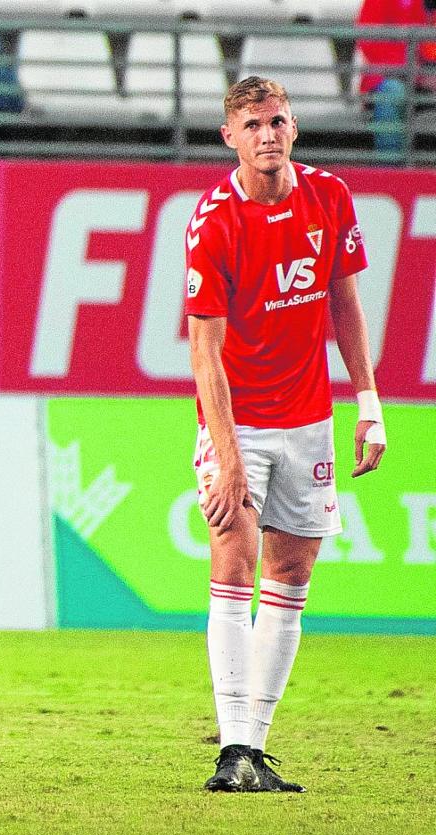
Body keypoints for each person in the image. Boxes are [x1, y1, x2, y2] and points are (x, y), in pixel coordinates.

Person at [185, 76, 387, 793]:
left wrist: (369, 403)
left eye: (276, 121)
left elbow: (344, 303)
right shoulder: (213, 222)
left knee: (292, 574)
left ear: (293, 127)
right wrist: (228, 455)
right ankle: (230, 748)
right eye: (252, 125)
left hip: (308, 421)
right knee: (234, 560)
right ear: (230, 138)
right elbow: (204, 351)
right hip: (237, 422)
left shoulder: (329, 197)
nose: (267, 135)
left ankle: (255, 749)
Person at [356, 0, 436, 154]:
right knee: (392, 91)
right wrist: (420, 75)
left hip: (424, 76)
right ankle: (390, 164)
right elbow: (369, 40)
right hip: (391, 78)